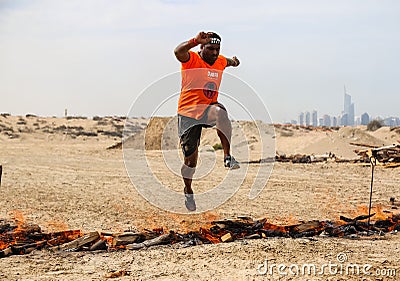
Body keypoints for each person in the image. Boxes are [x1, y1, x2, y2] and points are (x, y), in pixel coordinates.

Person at [174, 31, 240, 211]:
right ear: (202, 47)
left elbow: (229, 62)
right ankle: (188, 190)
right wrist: (194, 41)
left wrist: (235, 61)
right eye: (210, 48)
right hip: (188, 114)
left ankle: (227, 156)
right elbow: (178, 51)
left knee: (221, 112)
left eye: (217, 49)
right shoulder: (192, 60)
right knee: (191, 163)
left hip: (207, 109)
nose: (214, 53)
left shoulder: (220, 61)